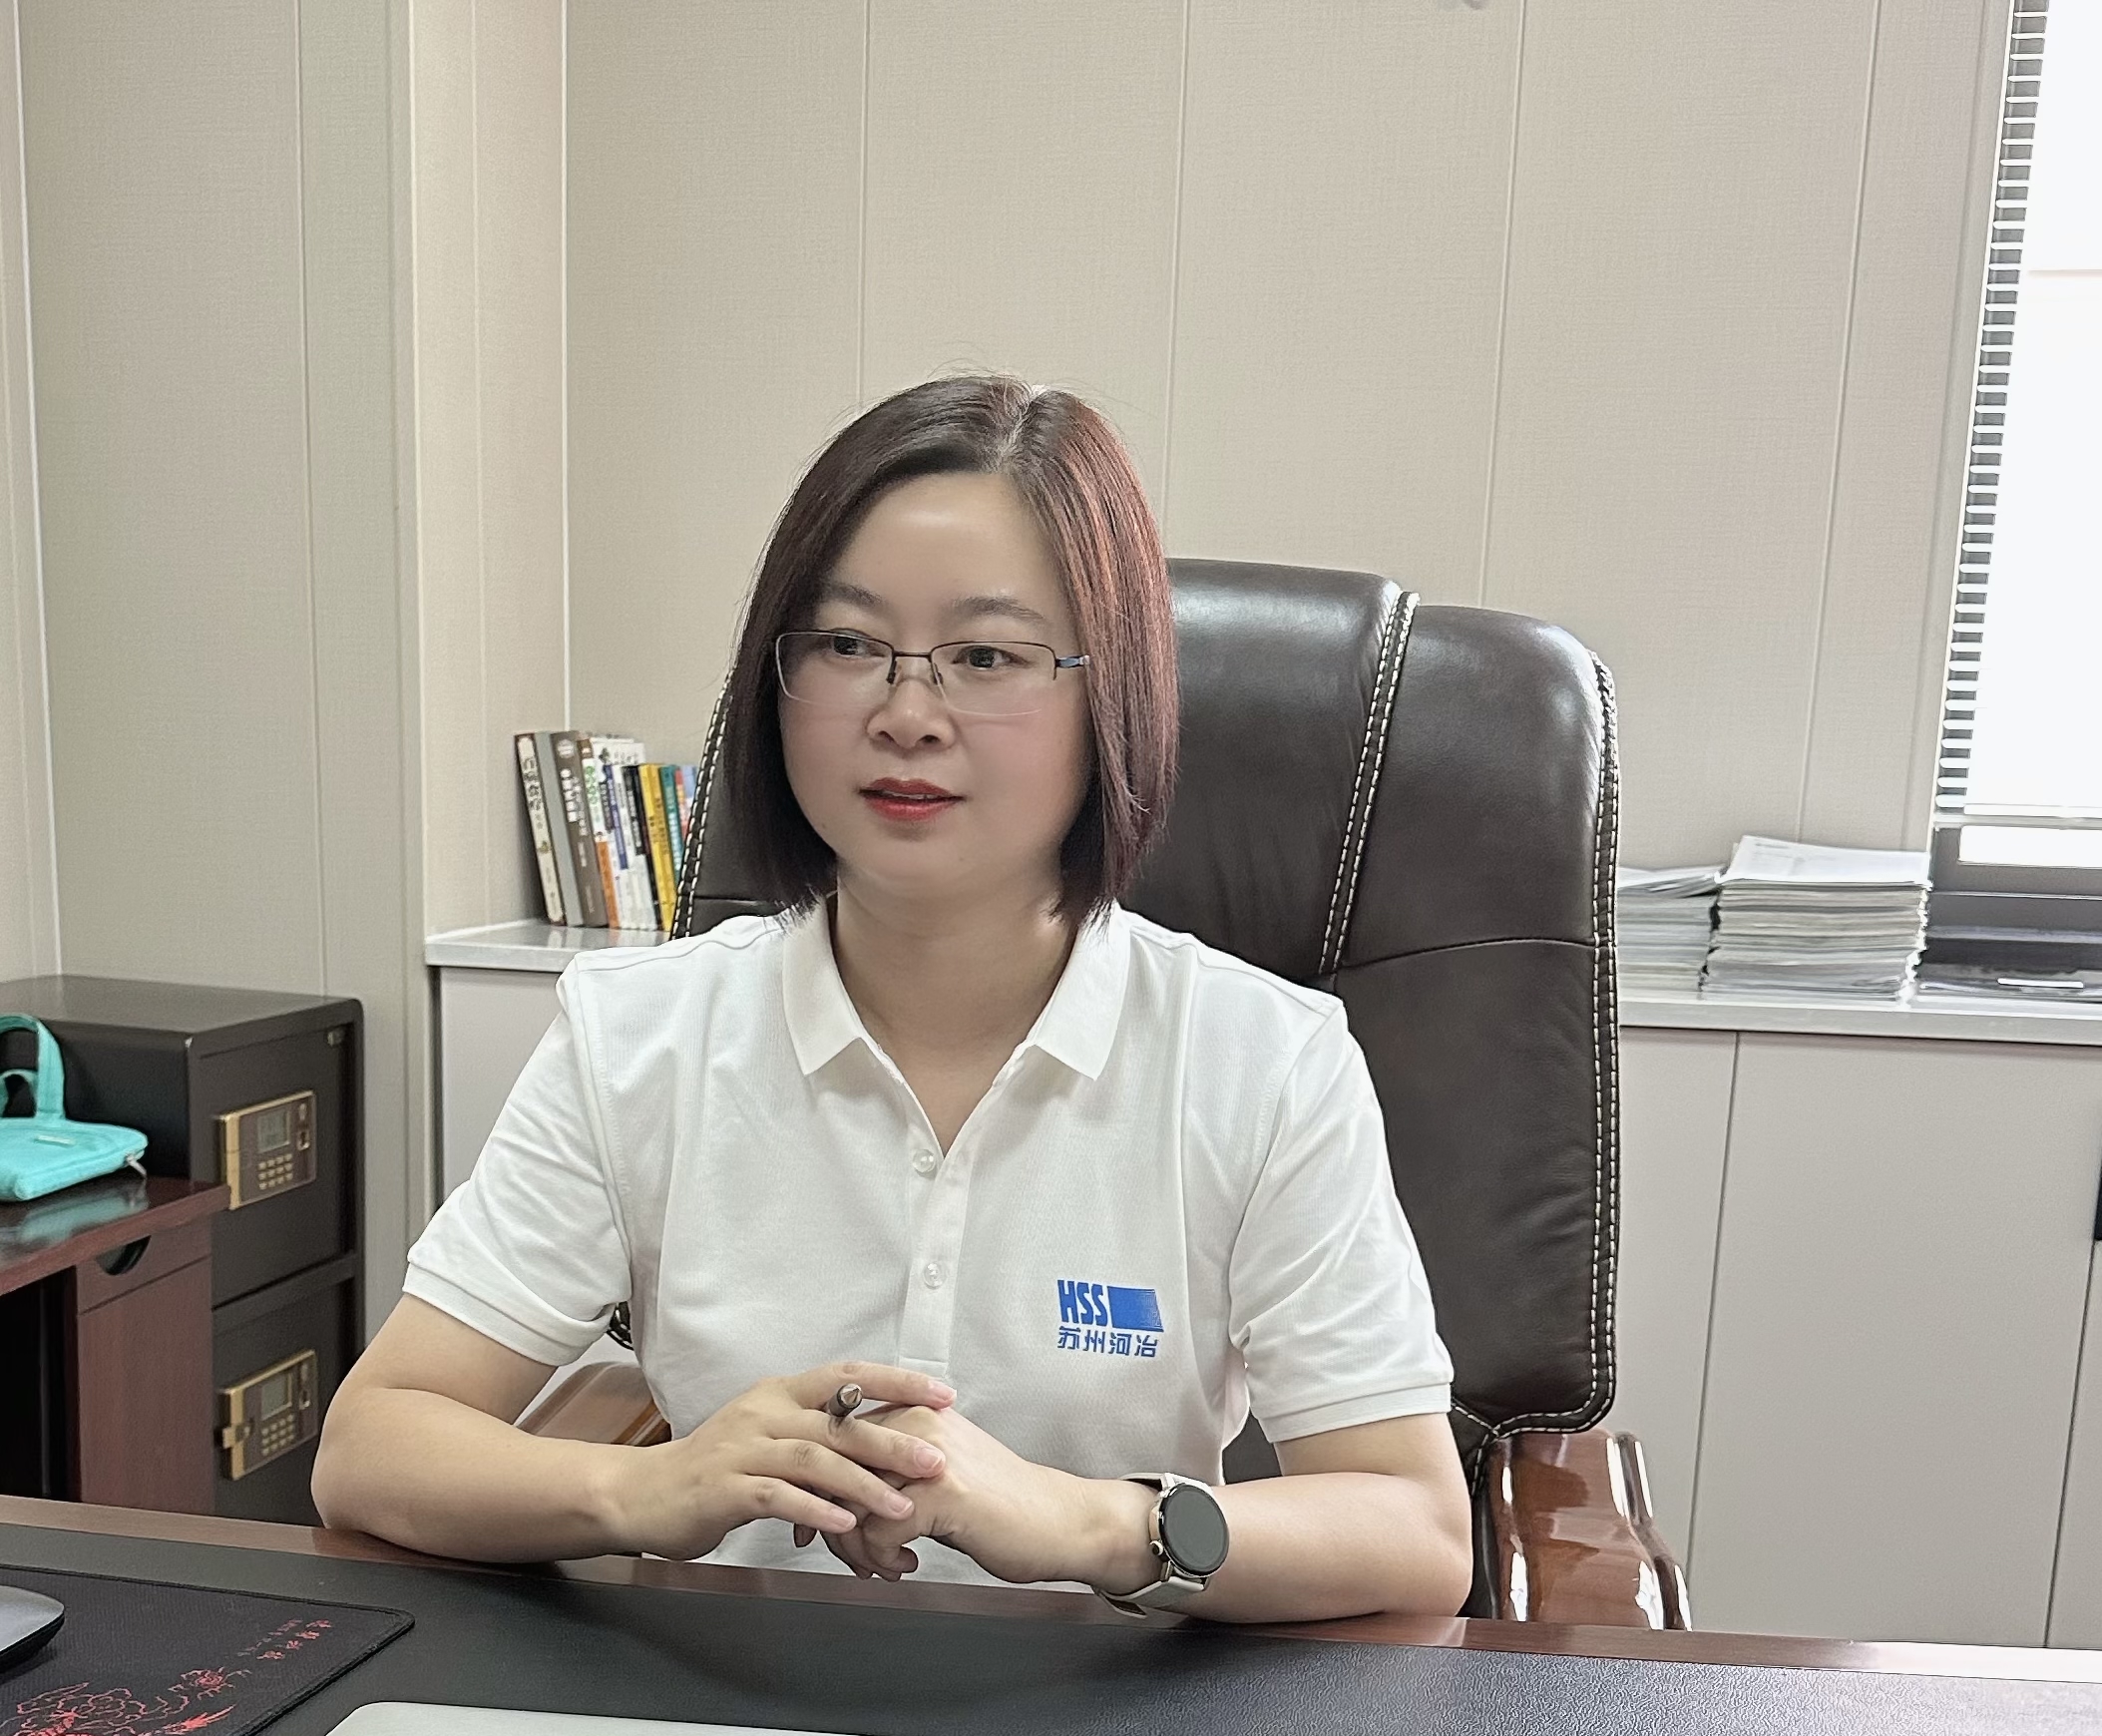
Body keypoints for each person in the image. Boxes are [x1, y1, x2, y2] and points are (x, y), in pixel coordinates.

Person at [312, 375, 1472, 1623]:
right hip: (723, 1708)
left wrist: (1084, 1521)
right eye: (847, 645)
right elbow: (374, 1444)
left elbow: (1412, 1526)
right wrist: (646, 1488)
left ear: (1111, 697)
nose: (906, 713)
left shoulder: (1263, 1060)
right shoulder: (638, 1036)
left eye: (986, 656)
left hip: (1106, 1709)